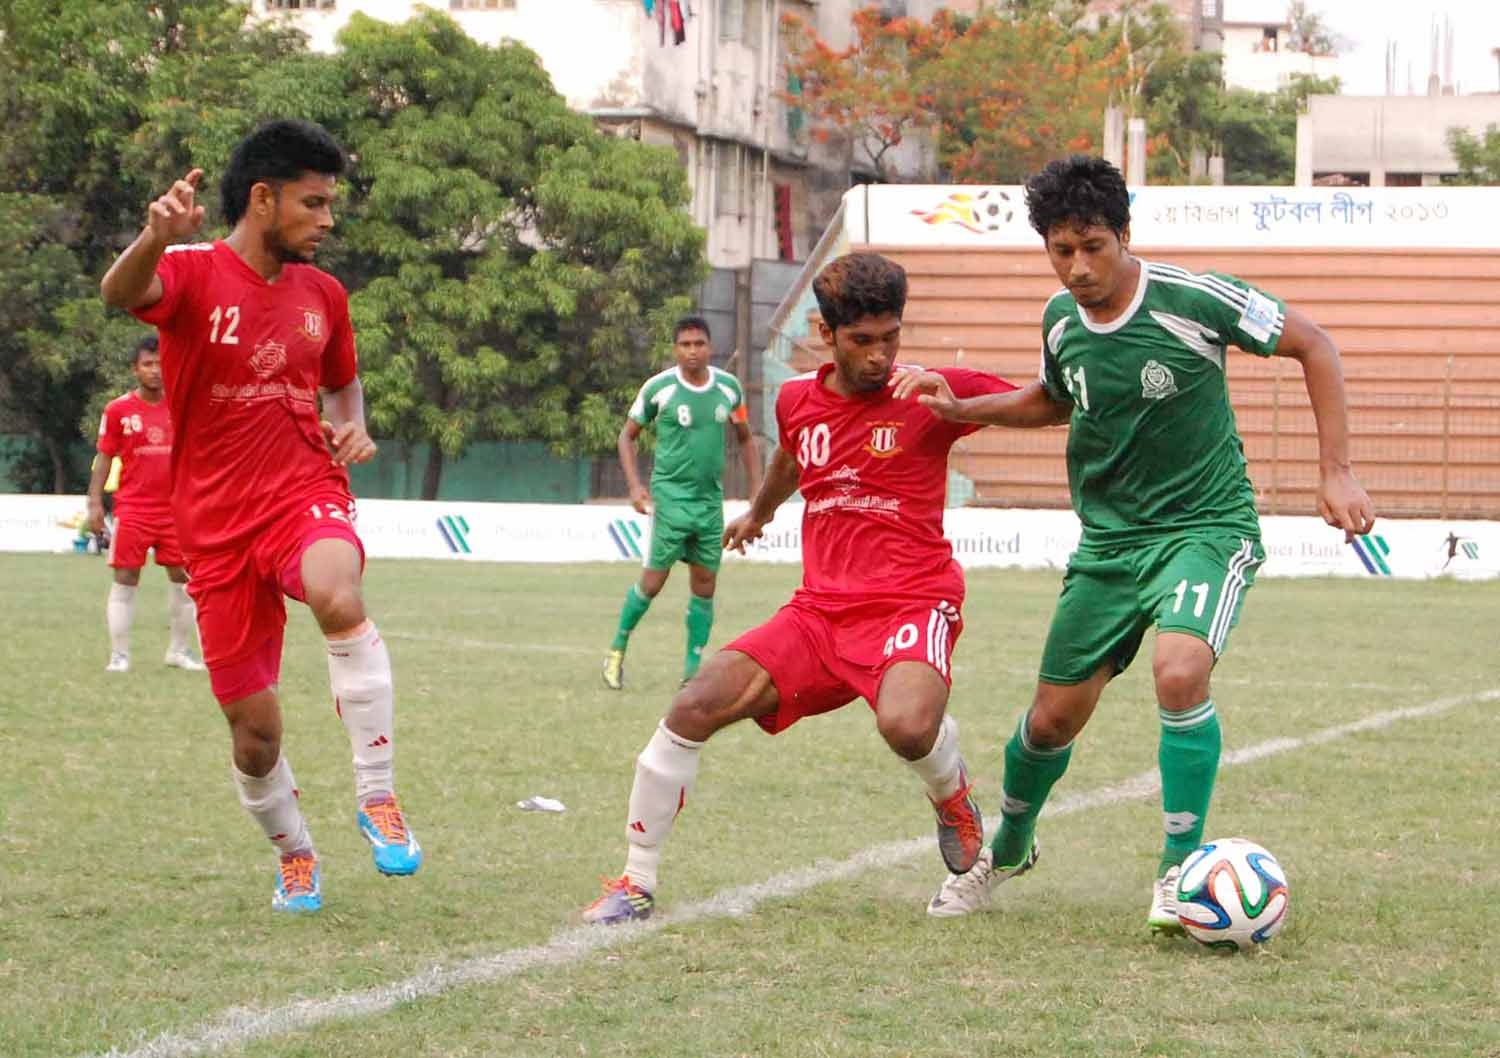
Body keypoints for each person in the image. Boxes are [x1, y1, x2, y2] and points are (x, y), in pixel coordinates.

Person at [896, 155, 1375, 929]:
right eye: (1061, 250)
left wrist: (1338, 472)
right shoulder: (1060, 319)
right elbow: (1056, 400)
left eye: (1093, 245)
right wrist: (961, 410)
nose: (1078, 267)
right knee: (1050, 720)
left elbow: (1315, 345)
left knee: (1179, 672)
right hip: (1110, 545)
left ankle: (1179, 873)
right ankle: (1009, 847)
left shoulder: (1193, 298)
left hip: (1205, 528)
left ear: (1124, 234)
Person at [582, 251, 1017, 924]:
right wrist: (760, 510)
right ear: (826, 334)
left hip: (911, 599)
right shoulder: (796, 400)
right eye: (862, 341)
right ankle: (634, 883)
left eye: (891, 337)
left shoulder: (931, 392)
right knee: (693, 703)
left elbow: (1045, 401)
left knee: (905, 725)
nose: (880, 356)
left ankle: (953, 797)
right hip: (817, 614)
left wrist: (961, 403)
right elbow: (793, 455)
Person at [100, 119, 421, 914]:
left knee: (337, 593)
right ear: (263, 198)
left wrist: (355, 423)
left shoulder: (325, 294)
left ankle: (377, 795)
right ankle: (296, 854)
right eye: (315, 204)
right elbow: (118, 294)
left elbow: (343, 384)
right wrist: (153, 234)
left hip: (302, 490)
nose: (328, 219)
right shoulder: (190, 271)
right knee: (255, 736)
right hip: (211, 528)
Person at [603, 316, 763, 690]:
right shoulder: (659, 388)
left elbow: (744, 438)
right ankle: (616, 649)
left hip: (709, 502)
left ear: (710, 347)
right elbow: (626, 437)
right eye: (685, 345)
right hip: (671, 499)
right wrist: (635, 487)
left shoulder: (728, 389)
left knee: (705, 583)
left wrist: (757, 491)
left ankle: (692, 671)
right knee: (654, 581)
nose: (692, 351)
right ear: (675, 349)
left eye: (699, 344)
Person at [86, 335, 203, 673]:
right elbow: (105, 457)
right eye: (148, 364)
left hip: (177, 509)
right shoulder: (118, 410)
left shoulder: (183, 405)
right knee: (126, 576)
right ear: (135, 369)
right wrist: (95, 501)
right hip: (133, 509)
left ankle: (178, 652)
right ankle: (119, 655)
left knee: (183, 577)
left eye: (161, 363)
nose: (155, 370)